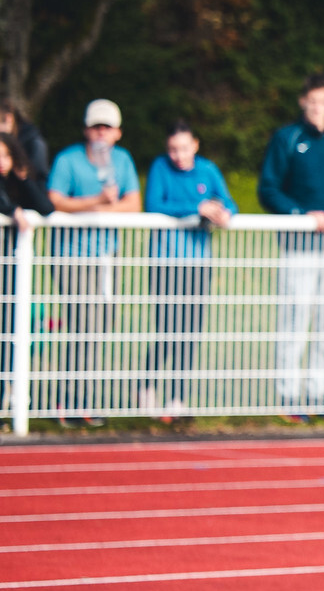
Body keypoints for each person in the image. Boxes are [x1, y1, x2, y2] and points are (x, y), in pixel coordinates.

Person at [259, 73, 324, 421]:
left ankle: (318, 393)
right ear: (303, 102)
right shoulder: (286, 138)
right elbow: (268, 189)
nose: (318, 108)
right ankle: (288, 396)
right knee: (295, 317)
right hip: (299, 245)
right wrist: (301, 214)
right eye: (312, 102)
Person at [46, 99, 142, 425]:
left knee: (102, 324)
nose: (101, 133)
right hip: (73, 254)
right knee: (83, 323)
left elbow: (133, 203)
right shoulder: (68, 160)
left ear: (117, 132)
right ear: (87, 129)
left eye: (108, 127)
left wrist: (103, 211)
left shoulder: (122, 160)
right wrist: (94, 203)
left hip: (107, 254)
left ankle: (84, 397)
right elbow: (55, 200)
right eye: (96, 126)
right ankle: (72, 401)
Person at [140, 120, 235, 422]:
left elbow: (227, 200)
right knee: (168, 330)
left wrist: (223, 211)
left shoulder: (207, 170)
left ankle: (178, 398)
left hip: (198, 263)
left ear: (195, 145)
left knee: (189, 333)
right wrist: (197, 207)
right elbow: (154, 203)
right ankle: (146, 385)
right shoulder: (160, 168)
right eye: (172, 149)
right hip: (166, 262)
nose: (178, 155)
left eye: (183, 148)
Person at [0, 133, 51, 413]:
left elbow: (45, 208)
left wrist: (22, 180)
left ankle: (6, 406)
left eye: (6, 155)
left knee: (9, 339)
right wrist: (12, 211)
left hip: (9, 279)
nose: (1, 161)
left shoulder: (14, 183)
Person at [0, 105, 50, 182]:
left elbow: (40, 182)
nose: (2, 162)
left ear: (8, 119)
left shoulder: (33, 145)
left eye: (6, 155)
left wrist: (24, 179)